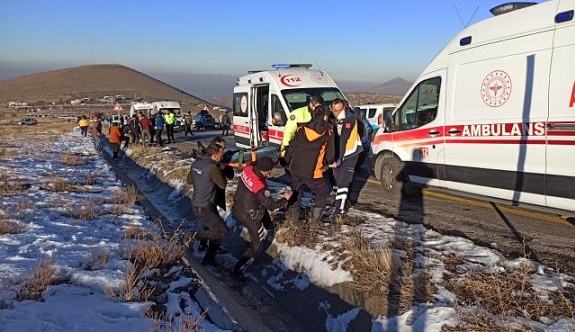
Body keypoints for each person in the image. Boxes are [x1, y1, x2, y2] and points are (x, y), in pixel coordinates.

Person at [230, 156, 292, 280]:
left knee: (263, 213)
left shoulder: (249, 169)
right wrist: (285, 198)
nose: (270, 173)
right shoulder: (259, 186)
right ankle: (237, 270)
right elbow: (271, 206)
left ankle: (270, 229)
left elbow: (253, 162)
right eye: (270, 171)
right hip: (250, 216)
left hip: (239, 206)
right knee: (257, 247)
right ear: (266, 171)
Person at [284, 105, 335, 224]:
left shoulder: (301, 129)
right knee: (323, 191)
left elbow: (291, 147)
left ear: (312, 115)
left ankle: (293, 219)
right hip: (312, 172)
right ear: (326, 116)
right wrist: (330, 163)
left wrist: (286, 161)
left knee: (297, 190)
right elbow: (330, 155)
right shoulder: (328, 132)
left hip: (295, 168)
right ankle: (315, 222)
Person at [187, 143, 229, 266]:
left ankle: (209, 258)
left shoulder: (196, 164)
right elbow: (223, 184)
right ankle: (194, 236)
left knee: (216, 231)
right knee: (223, 231)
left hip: (197, 203)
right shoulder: (213, 168)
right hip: (205, 206)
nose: (222, 157)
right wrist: (221, 170)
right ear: (215, 155)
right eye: (221, 155)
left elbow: (189, 181)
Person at [329, 98, 364, 220]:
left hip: (351, 153)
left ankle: (339, 210)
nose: (337, 113)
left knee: (344, 181)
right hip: (339, 153)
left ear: (343, 108)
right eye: (334, 110)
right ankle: (341, 202)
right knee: (338, 180)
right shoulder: (332, 118)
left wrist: (339, 158)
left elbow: (344, 138)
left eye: (339, 110)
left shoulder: (350, 118)